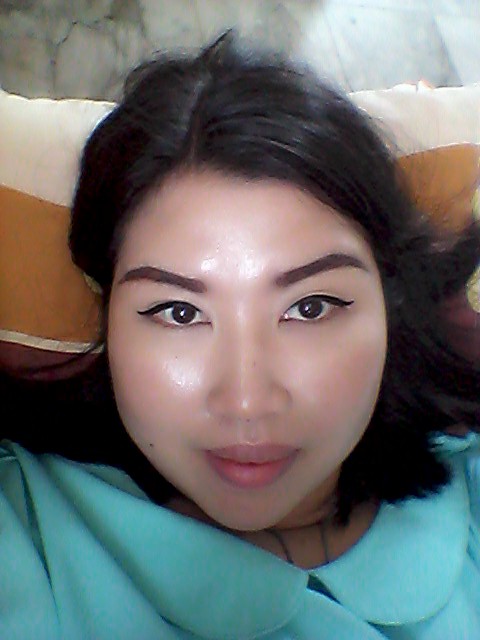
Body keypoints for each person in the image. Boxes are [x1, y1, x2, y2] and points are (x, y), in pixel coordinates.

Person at [1, 32, 479, 640]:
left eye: (309, 307)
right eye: (179, 313)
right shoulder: (27, 535)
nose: (247, 401)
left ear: (389, 305)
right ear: (107, 317)